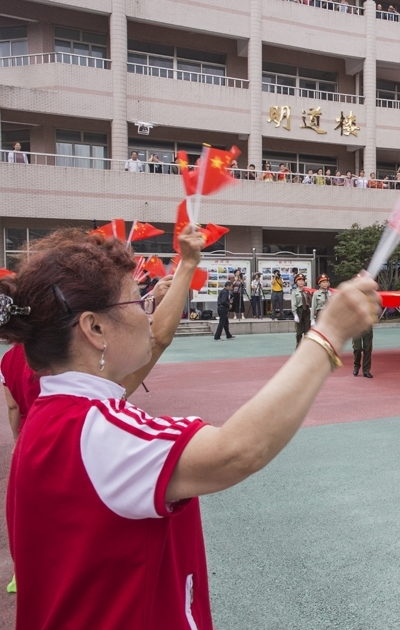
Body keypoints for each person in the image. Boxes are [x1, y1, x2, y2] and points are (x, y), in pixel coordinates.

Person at [0, 227, 377, 629]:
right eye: (138, 300)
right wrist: (327, 335)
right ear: (94, 329)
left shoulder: (49, 416)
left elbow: (158, 340)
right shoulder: (98, 431)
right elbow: (237, 451)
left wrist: (187, 265)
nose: (148, 314)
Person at [291, 273, 311, 346]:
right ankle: (298, 345)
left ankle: (306, 347)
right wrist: (295, 315)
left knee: (307, 331)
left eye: (302, 280)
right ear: (296, 282)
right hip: (299, 311)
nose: (301, 282)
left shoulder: (306, 291)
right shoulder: (294, 292)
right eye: (299, 281)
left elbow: (309, 301)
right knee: (299, 332)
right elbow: (293, 304)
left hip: (307, 311)